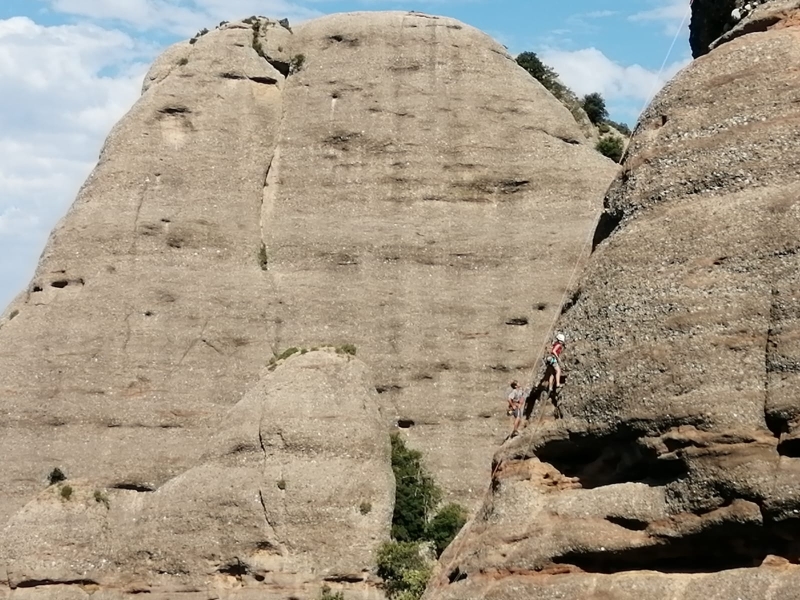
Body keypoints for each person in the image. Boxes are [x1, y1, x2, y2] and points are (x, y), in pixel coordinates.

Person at [544, 333, 566, 398]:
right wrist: (557, 358)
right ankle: (558, 384)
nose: (562, 343)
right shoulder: (558, 345)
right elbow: (554, 351)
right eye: (561, 341)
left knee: (552, 374)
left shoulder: (555, 343)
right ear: (559, 340)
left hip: (549, 359)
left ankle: (550, 387)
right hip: (553, 359)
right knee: (558, 371)